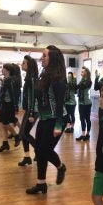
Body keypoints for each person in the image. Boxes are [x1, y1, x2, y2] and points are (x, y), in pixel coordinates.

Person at [26, 45, 67, 195]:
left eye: (44, 55)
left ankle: (61, 166)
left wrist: (58, 125)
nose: (41, 58)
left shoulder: (59, 79)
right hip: (44, 118)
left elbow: (60, 102)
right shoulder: (45, 74)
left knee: (44, 150)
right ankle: (41, 184)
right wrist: (33, 112)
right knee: (39, 150)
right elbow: (40, 98)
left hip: (55, 119)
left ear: (52, 58)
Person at [18, 55, 39, 166]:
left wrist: (31, 113)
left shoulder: (31, 78)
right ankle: (27, 157)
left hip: (33, 110)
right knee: (23, 133)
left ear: (29, 65)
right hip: (30, 109)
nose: (22, 64)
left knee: (24, 133)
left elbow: (32, 97)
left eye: (24, 63)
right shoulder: (29, 77)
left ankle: (39, 151)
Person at [0, 63, 20, 152]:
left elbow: (13, 94)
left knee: (4, 123)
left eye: (3, 68)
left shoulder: (9, 80)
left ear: (7, 70)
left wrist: (15, 106)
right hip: (4, 103)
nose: (2, 70)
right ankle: (5, 143)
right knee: (2, 124)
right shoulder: (6, 80)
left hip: (7, 104)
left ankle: (16, 136)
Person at [75, 67, 92, 141]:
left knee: (87, 119)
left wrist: (77, 81)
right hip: (81, 103)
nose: (81, 73)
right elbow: (76, 87)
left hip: (87, 103)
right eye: (81, 71)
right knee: (82, 119)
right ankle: (82, 134)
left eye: (82, 72)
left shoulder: (89, 81)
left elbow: (81, 86)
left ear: (86, 73)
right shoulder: (81, 80)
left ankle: (87, 134)